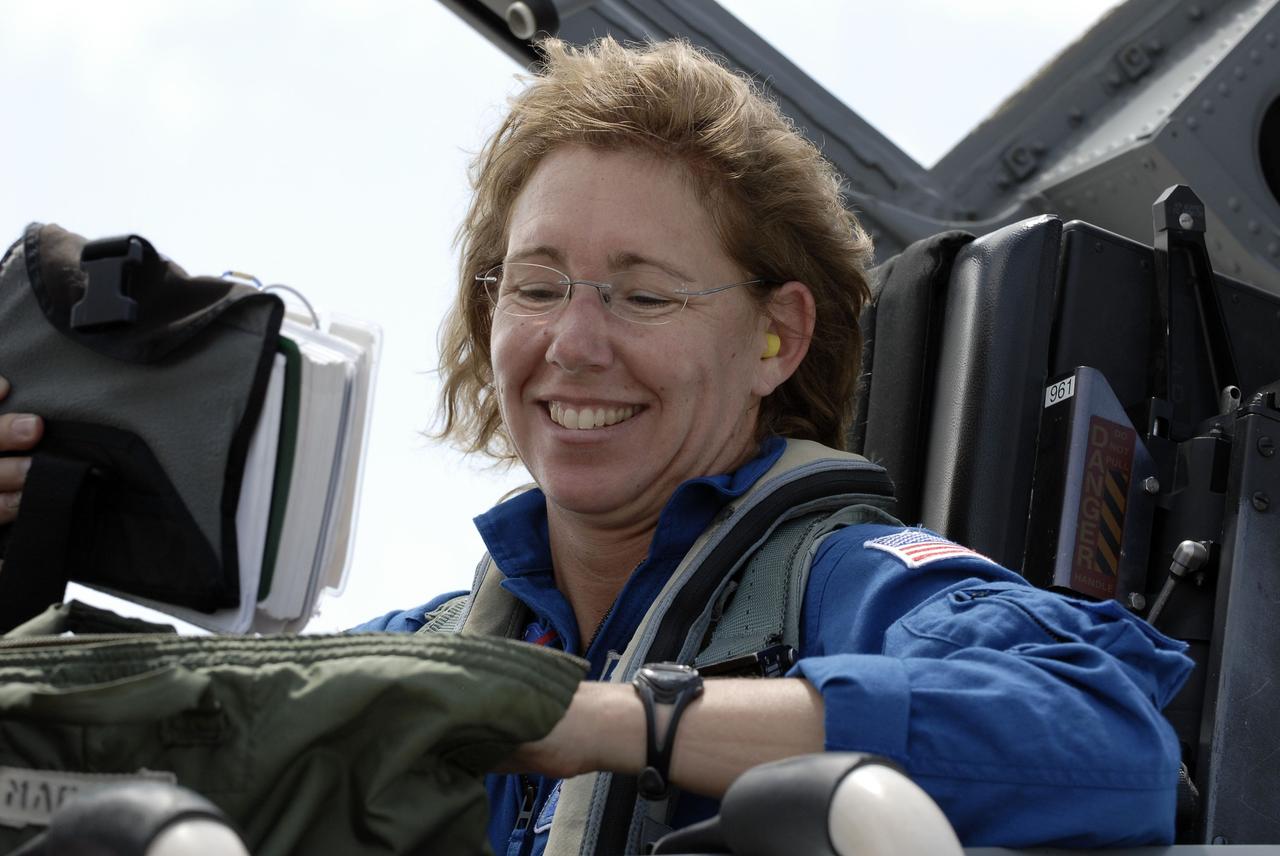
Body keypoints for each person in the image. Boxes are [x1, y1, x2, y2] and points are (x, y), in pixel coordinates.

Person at [1, 37, 1192, 856]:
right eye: (536, 286)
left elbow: (1103, 741)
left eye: (642, 293)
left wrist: (612, 720)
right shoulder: (428, 651)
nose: (571, 345)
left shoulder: (851, 584)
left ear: (774, 337)